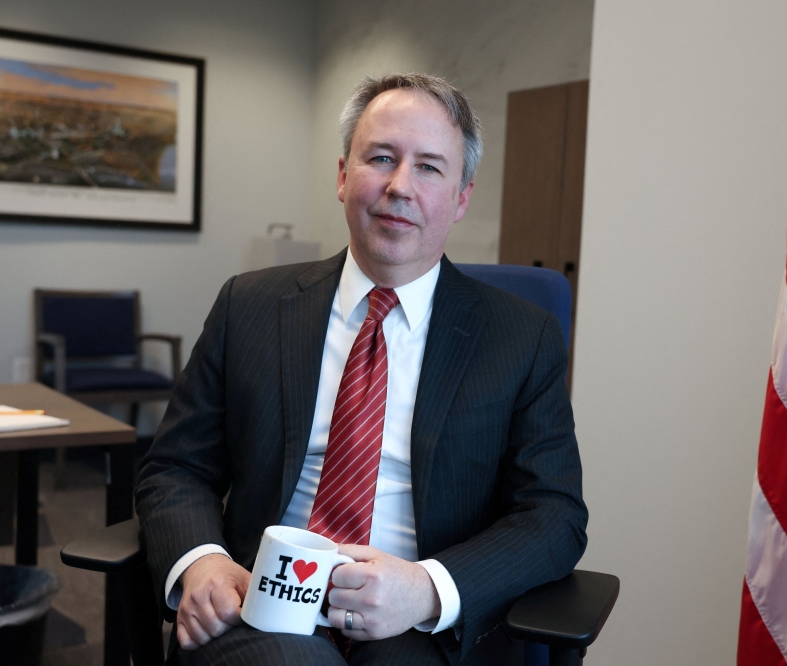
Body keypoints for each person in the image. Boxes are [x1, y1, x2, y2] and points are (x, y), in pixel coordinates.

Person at [136, 73, 587, 666]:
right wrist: (203, 560)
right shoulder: (249, 306)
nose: (401, 186)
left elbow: (554, 514)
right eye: (381, 157)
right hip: (261, 607)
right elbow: (174, 467)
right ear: (344, 176)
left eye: (430, 167)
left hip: (421, 631)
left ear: (461, 197)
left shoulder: (520, 337)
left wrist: (428, 589)